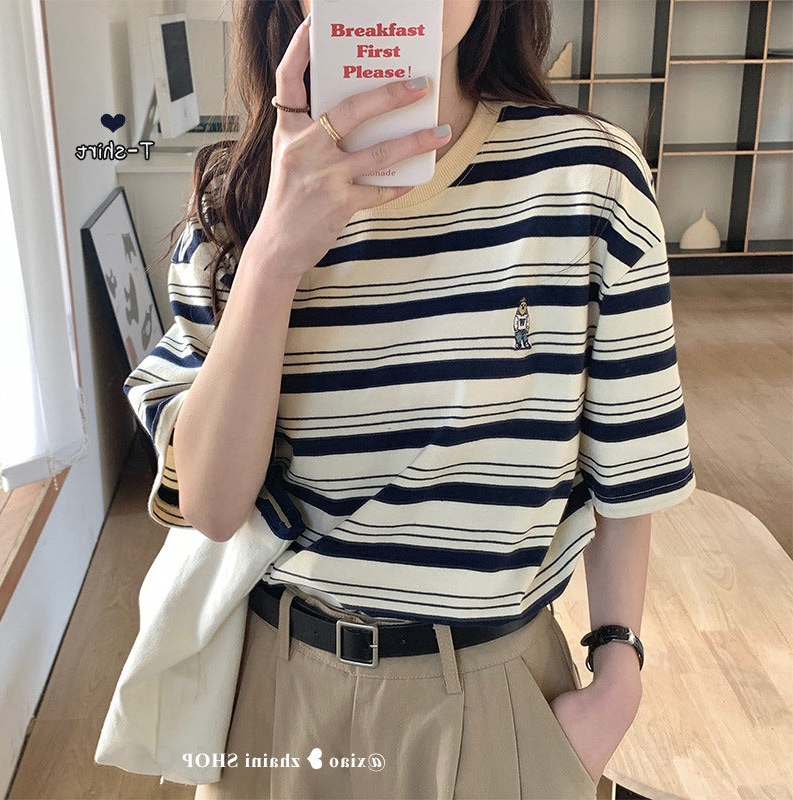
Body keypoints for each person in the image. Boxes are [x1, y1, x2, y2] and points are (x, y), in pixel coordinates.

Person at [122, 1, 697, 798]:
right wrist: (273, 257)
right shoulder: (237, 201)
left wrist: (617, 676)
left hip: (500, 699)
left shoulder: (588, 181)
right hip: (280, 701)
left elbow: (630, 471)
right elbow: (214, 508)